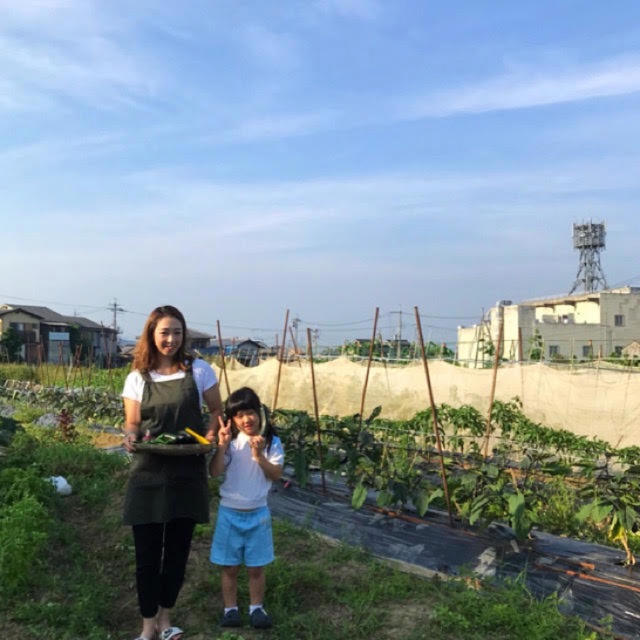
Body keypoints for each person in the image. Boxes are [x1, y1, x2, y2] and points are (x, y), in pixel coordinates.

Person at [121, 305, 223, 640]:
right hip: (148, 473)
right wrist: (131, 437)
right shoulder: (138, 377)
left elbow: (216, 411)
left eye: (177, 332)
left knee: (177, 552)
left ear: (184, 335)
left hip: (187, 471)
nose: (171, 339)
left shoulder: (200, 371)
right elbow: (133, 423)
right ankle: (148, 625)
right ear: (151, 334)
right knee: (147, 555)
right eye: (164, 332)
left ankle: (166, 619)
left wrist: (209, 438)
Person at [209, 387, 284, 630]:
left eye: (250, 413)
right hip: (230, 513)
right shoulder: (231, 443)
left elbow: (275, 475)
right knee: (229, 566)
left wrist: (259, 455)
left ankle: (256, 608)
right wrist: (221, 446)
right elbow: (215, 472)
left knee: (256, 567)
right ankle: (230, 610)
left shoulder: (271, 442)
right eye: (239, 415)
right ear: (231, 420)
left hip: (258, 514)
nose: (246, 419)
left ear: (260, 414)